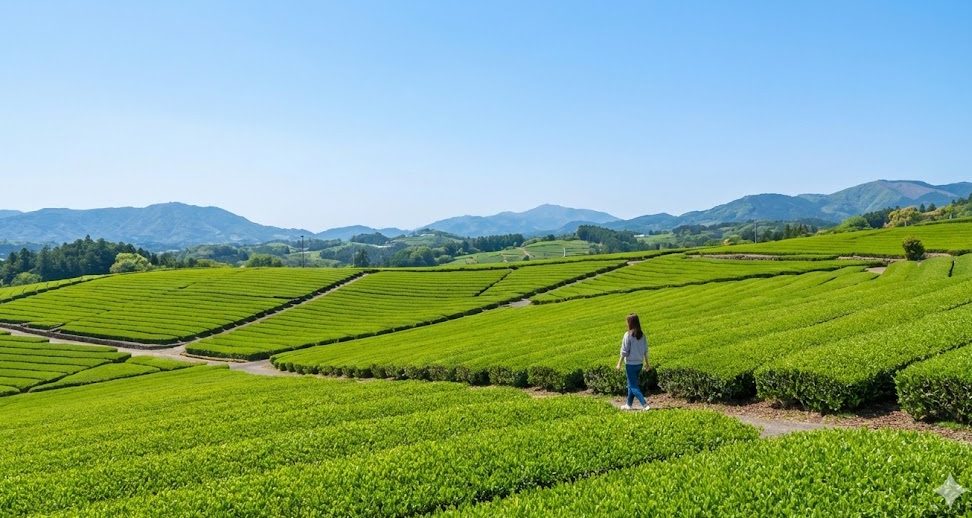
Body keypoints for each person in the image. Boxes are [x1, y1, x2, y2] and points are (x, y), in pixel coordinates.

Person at [615, 313, 649, 410]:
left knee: (633, 386)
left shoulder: (627, 335)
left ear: (630, 323)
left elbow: (624, 351)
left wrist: (619, 364)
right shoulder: (642, 335)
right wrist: (647, 364)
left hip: (630, 364)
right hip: (639, 363)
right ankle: (628, 404)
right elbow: (645, 351)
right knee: (631, 384)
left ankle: (645, 404)